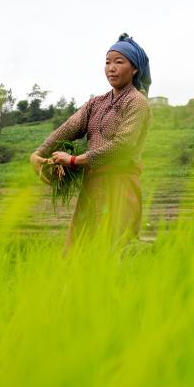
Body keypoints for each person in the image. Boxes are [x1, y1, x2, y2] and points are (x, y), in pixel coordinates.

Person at [29, 33, 152, 246]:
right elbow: (69, 127)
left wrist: (74, 160)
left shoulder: (137, 102)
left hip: (119, 186)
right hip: (91, 186)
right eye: (107, 62)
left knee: (114, 250)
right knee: (79, 251)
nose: (111, 68)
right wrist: (38, 154)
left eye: (119, 62)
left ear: (134, 69)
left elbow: (123, 146)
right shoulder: (96, 103)